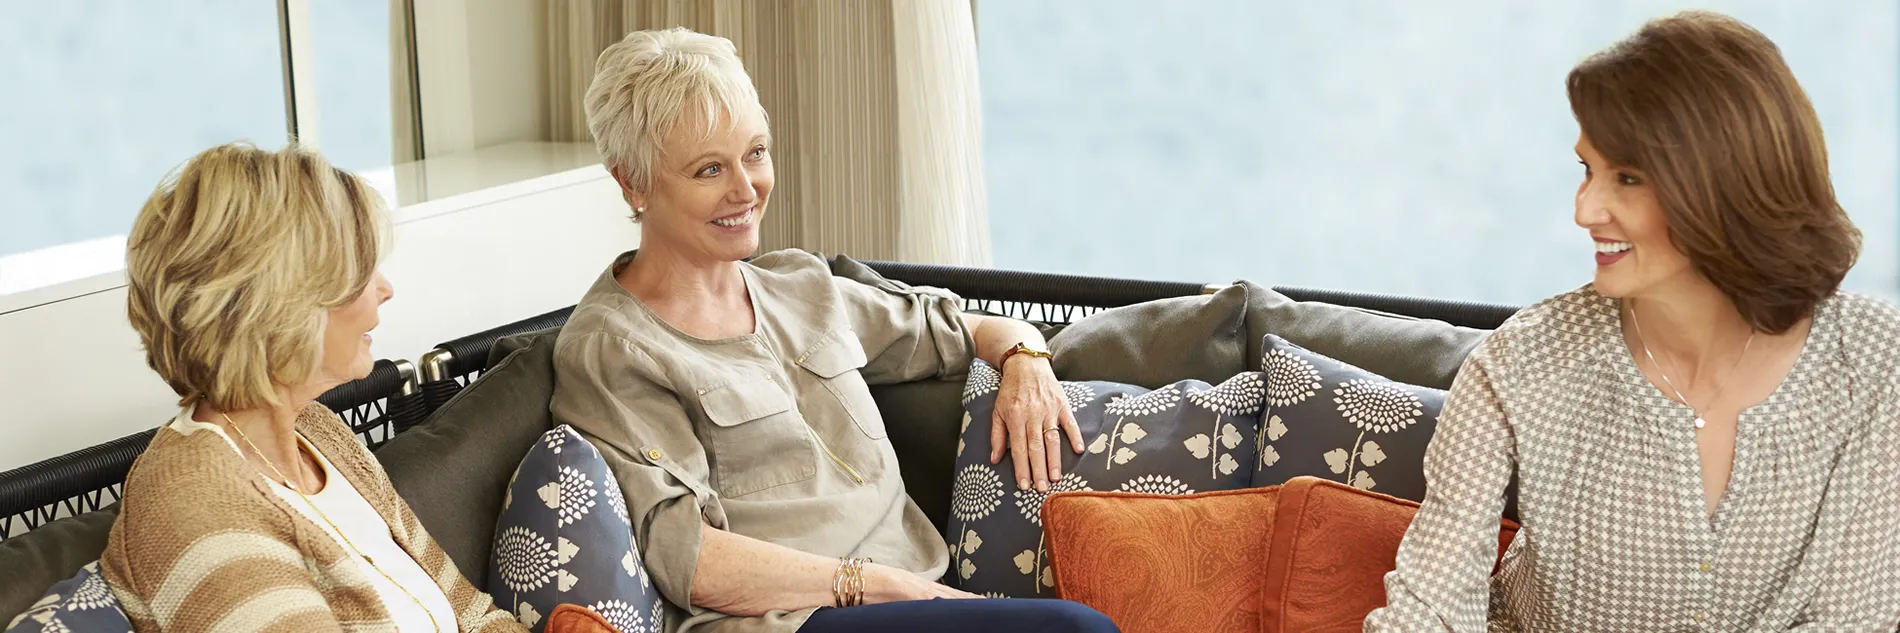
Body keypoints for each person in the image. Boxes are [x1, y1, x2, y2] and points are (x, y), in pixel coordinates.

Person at [551, 28, 1119, 633]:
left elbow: (962, 325)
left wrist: (1026, 358)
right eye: (709, 169)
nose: (745, 190)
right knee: (1078, 631)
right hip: (793, 620)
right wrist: (874, 585)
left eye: (756, 153)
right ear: (631, 184)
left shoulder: (800, 287)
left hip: (915, 594)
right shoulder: (611, 350)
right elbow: (688, 558)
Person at [1364, 11, 1900, 632]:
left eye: (1627, 178)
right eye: (1587, 170)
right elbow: (1431, 609)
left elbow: (1855, 618)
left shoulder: (1875, 363)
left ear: (1724, 186)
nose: (1585, 209)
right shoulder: (1519, 366)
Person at [103, 144, 525, 633]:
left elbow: (472, 615)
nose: (385, 287)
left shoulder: (319, 431)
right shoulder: (197, 504)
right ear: (281, 305)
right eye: (360, 270)